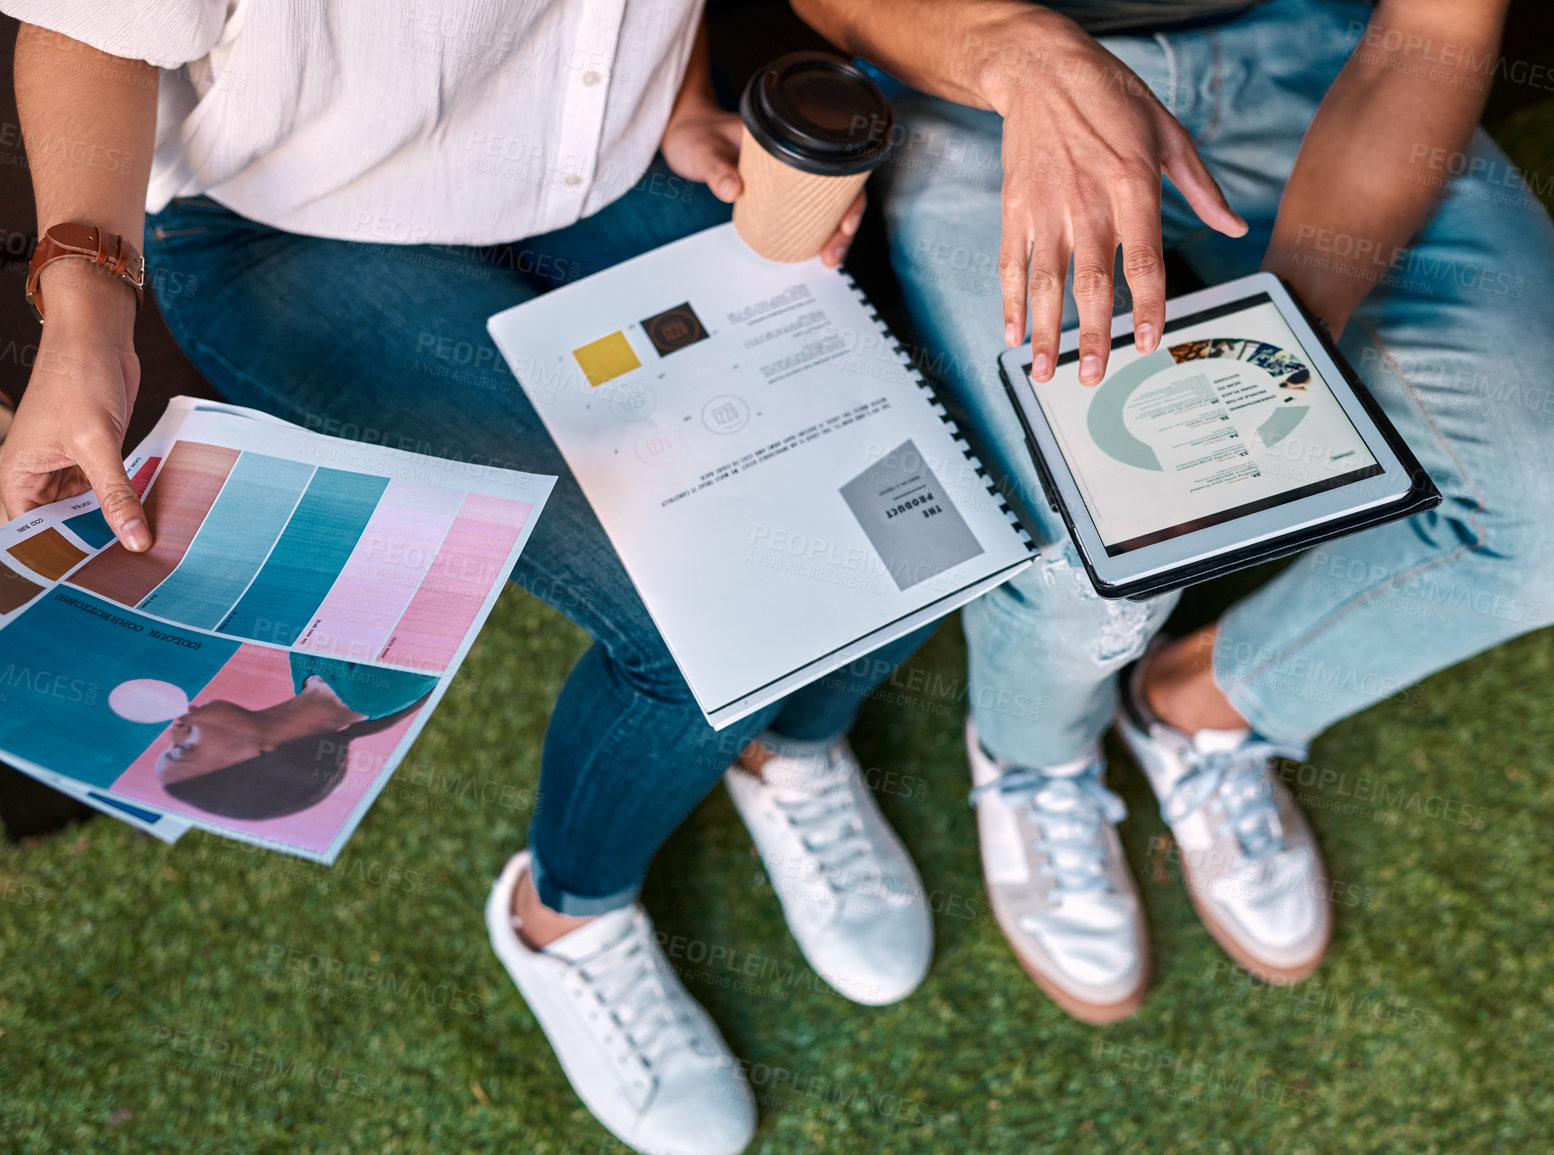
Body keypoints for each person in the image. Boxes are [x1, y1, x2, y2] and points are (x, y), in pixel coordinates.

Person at [0, 6, 937, 1153]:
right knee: (699, 633)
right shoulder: (339, 678)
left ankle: (782, 745)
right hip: (296, 219)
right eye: (201, 748)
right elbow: (92, 28)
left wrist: (685, 90)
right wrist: (85, 313)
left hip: (618, 154)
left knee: (909, 515)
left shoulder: (299, 679)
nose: (186, 735)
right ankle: (565, 915)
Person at [792, 0, 1554, 1019]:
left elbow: (1441, 28)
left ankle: (1206, 703)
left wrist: (1290, 341)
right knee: (1097, 564)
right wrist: (1015, 58)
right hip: (981, 81)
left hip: (1325, 59)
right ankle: (1036, 762)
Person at [154, 659, 437, 821]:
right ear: (261, 757)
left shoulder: (304, 675)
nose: (175, 726)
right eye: (183, 749)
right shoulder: (383, 683)